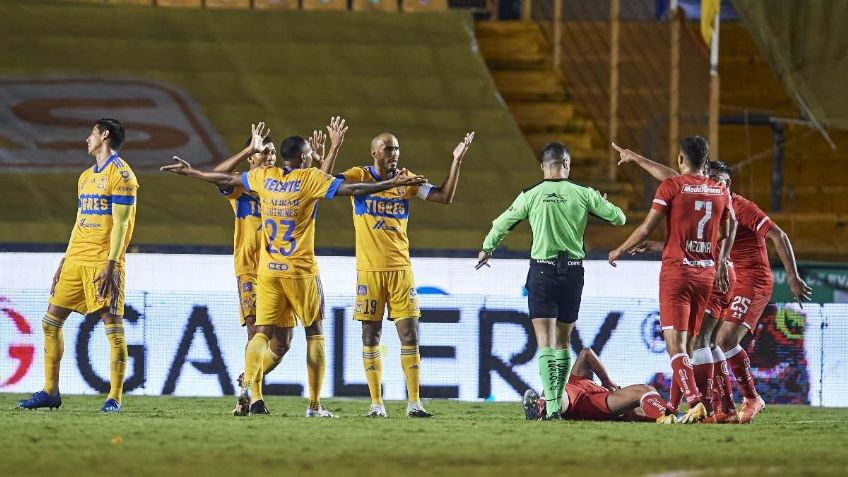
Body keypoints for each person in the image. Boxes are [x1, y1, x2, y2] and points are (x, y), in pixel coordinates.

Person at [161, 130, 425, 416]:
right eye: (310, 153)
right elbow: (354, 189)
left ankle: (248, 384)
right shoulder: (308, 178)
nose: (313, 155)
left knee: (262, 333)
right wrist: (390, 183)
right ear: (302, 157)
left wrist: (193, 173)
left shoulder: (266, 177)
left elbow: (226, 178)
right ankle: (313, 404)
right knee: (315, 333)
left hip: (269, 271)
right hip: (301, 270)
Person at [619, 153, 811, 423]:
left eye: (718, 181)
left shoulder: (741, 207)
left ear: (729, 183)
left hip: (752, 280)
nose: (712, 185)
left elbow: (778, 235)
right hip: (722, 277)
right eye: (708, 179)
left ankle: (750, 398)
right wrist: (637, 159)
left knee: (721, 339)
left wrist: (792, 276)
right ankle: (722, 408)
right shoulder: (707, 204)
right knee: (703, 340)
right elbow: (673, 178)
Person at [477, 142, 626, 420]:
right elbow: (619, 218)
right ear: (567, 164)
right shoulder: (583, 194)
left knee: (544, 342)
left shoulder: (531, 195)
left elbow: (502, 223)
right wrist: (604, 202)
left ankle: (554, 405)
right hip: (572, 273)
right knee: (563, 341)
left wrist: (488, 248)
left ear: (543, 167)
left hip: (542, 272)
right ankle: (556, 405)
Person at [335, 131, 474, 418]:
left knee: (410, 334)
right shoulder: (358, 175)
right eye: (388, 149)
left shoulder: (407, 180)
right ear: (374, 152)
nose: (394, 154)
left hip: (400, 270)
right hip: (369, 271)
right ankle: (376, 404)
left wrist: (456, 161)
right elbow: (328, 185)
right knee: (370, 336)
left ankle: (414, 403)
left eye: (397, 148)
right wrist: (334, 150)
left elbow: (444, 197)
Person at [608, 136, 734, 424]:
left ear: (680, 159)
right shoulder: (719, 191)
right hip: (705, 276)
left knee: (674, 346)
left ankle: (695, 402)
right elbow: (726, 231)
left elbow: (644, 228)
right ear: (706, 161)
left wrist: (620, 249)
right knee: (687, 348)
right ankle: (674, 407)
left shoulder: (672, 186)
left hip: (677, 274)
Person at [19, 119, 138, 413]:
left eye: (92, 133)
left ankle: (114, 397)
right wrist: (64, 260)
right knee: (50, 321)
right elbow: (79, 222)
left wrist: (112, 263)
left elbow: (122, 224)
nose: (88, 139)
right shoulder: (85, 177)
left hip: (102, 261)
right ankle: (50, 391)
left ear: (104, 136)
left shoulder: (122, 175)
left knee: (112, 325)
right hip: (76, 259)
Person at [522, 348, 676, 423]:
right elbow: (586, 354)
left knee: (645, 390)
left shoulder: (613, 402)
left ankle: (543, 407)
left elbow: (643, 393)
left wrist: (666, 414)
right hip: (575, 390)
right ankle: (543, 405)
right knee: (557, 387)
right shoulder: (585, 383)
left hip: (589, 403)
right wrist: (606, 381)